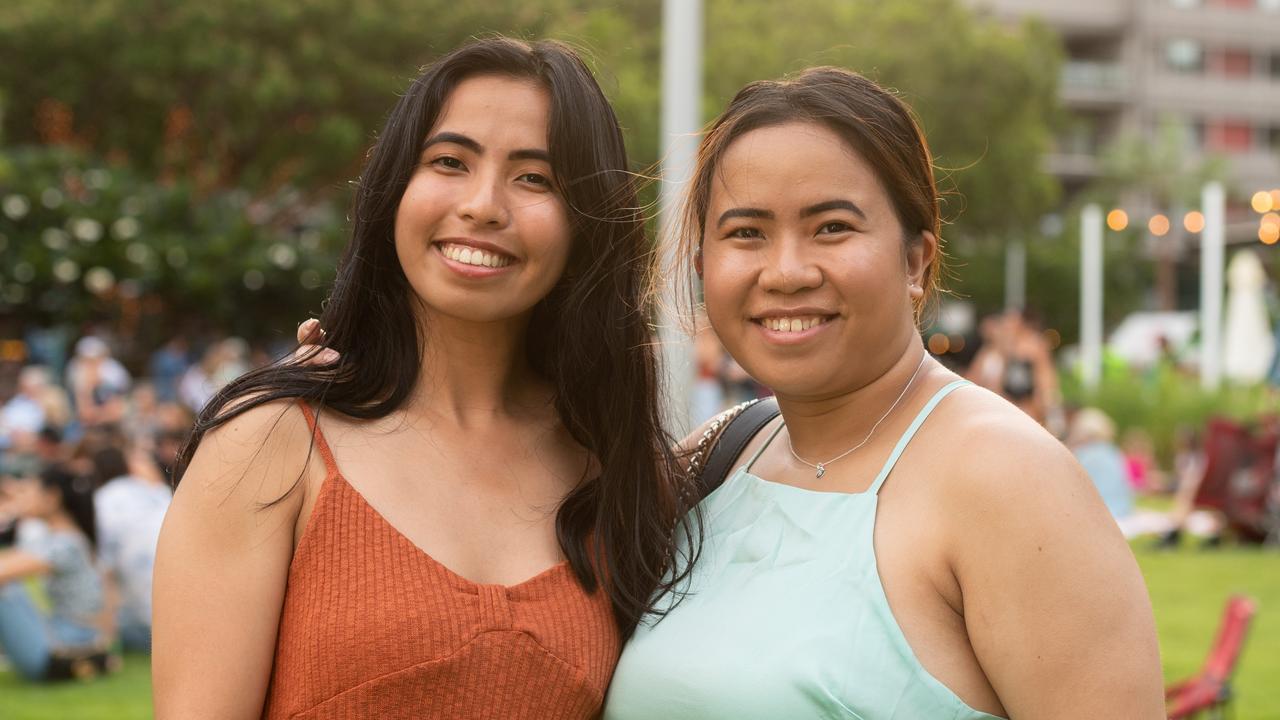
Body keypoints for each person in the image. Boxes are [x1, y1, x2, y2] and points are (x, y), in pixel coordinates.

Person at [604, 67, 1164, 718]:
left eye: (832, 227)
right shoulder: (720, 457)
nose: (786, 271)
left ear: (915, 261)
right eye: (746, 232)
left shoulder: (1006, 478)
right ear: (704, 265)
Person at [153, 38, 687, 719]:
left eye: (535, 178)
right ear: (395, 187)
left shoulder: (616, 471)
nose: (483, 204)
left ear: (585, 223)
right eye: (449, 162)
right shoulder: (268, 444)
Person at [0, 465, 110, 681]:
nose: (23, 498)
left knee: (5, 590)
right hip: (64, 637)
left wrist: (10, 511)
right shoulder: (61, 539)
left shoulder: (65, 544)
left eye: (29, 491)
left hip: (63, 648)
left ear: (52, 497)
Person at [92, 441, 171, 652]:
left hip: (150, 618)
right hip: (190, 594)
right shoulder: (153, 490)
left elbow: (105, 567)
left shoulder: (102, 500)